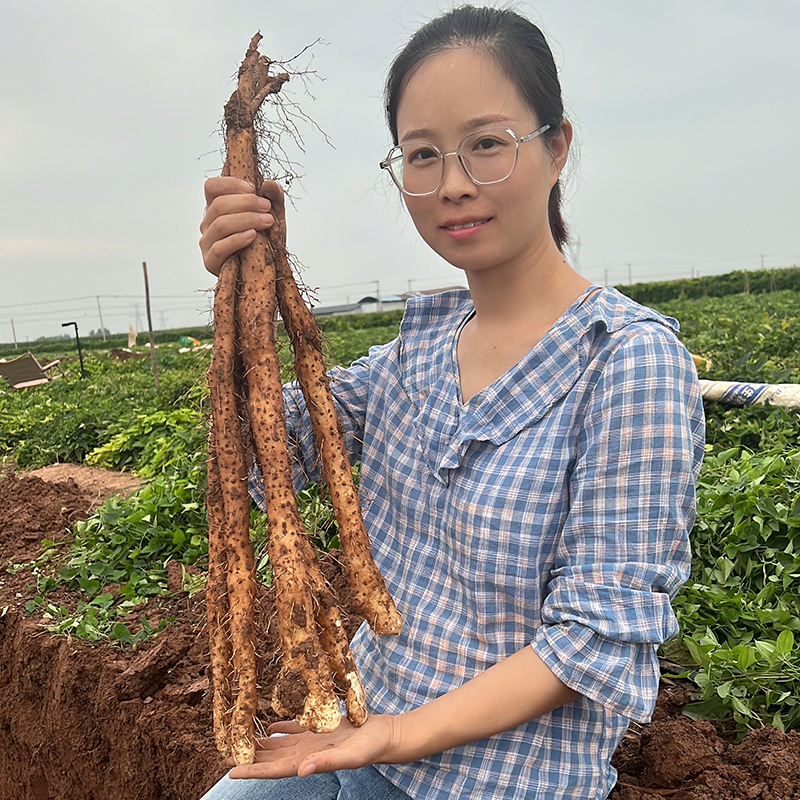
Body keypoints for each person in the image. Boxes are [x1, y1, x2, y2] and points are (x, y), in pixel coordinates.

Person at [197, 6, 705, 799]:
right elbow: (273, 451)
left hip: (506, 779)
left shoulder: (629, 363)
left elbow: (593, 640)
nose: (455, 184)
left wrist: (397, 736)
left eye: (488, 144)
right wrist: (246, 284)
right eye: (423, 155)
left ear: (557, 147)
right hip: (357, 729)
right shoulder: (415, 354)